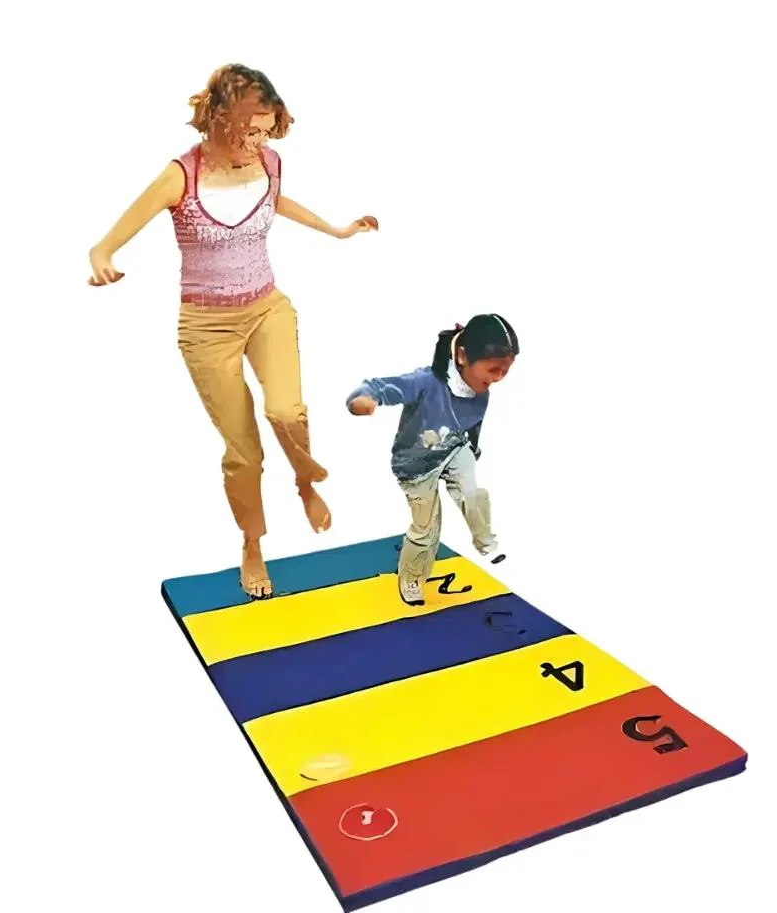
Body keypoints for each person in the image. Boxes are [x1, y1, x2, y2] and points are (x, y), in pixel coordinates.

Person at [87, 64, 378, 598]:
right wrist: (103, 257)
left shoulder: (269, 162)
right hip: (207, 328)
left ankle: (305, 482)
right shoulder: (181, 176)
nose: (259, 142)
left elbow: (273, 200)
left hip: (267, 308)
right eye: (250, 131)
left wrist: (336, 231)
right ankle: (252, 542)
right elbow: (106, 241)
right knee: (244, 452)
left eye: (266, 131)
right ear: (221, 120)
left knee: (287, 411)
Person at [347, 314, 519, 606]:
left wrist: (473, 450)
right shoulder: (427, 382)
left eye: (505, 371)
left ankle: (485, 542)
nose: (497, 378)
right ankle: (412, 579)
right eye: (493, 369)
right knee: (427, 529)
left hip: (454, 448)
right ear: (462, 356)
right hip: (416, 465)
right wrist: (365, 399)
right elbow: (382, 386)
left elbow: (474, 424)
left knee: (473, 493)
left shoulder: (482, 392)